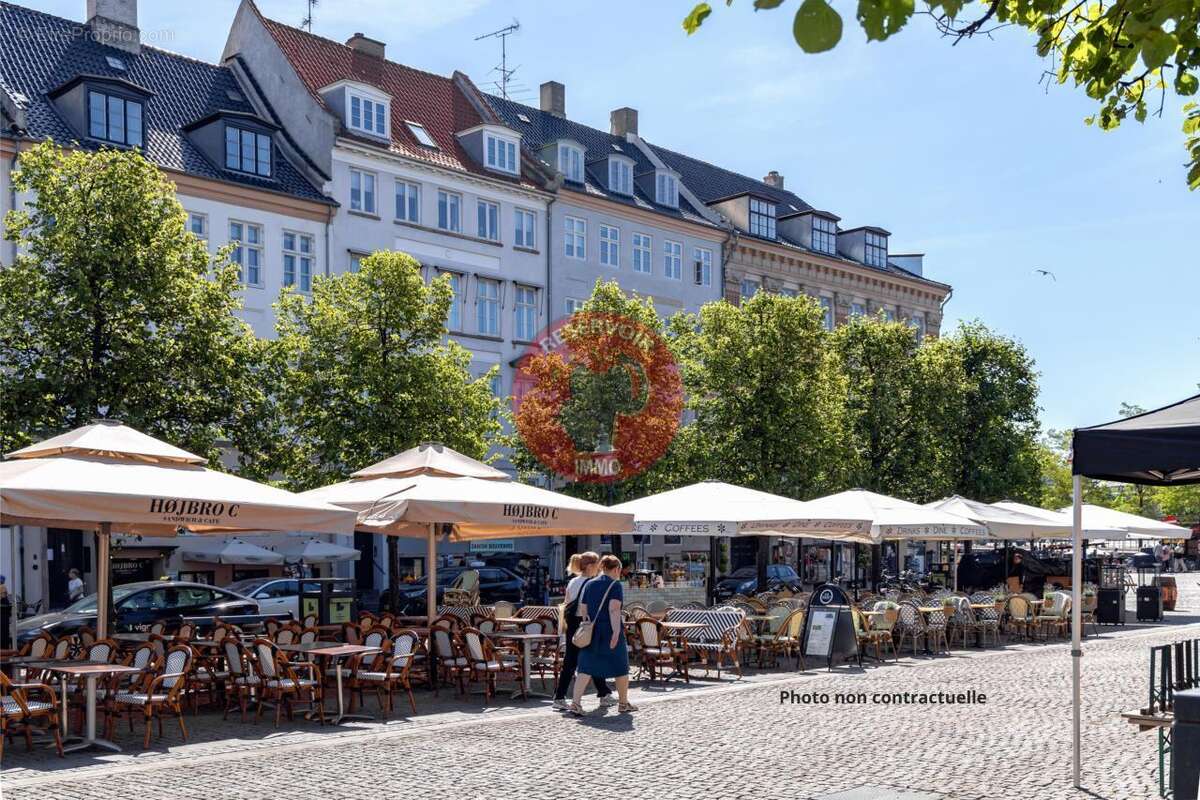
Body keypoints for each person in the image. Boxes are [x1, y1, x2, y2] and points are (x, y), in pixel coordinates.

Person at [570, 554, 637, 715]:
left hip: (592, 630)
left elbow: (583, 609)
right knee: (621, 667)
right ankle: (623, 703)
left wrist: (589, 622)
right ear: (616, 569)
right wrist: (615, 632)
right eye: (620, 569)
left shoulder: (589, 583)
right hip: (609, 630)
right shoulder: (615, 585)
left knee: (585, 667)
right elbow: (614, 610)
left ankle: (576, 703)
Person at [552, 552, 613, 711]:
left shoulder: (572, 581)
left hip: (572, 624)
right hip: (587, 624)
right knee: (594, 658)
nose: (599, 569)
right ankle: (604, 694)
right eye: (597, 565)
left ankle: (559, 697)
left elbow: (566, 602)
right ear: (591, 566)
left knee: (570, 662)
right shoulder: (593, 583)